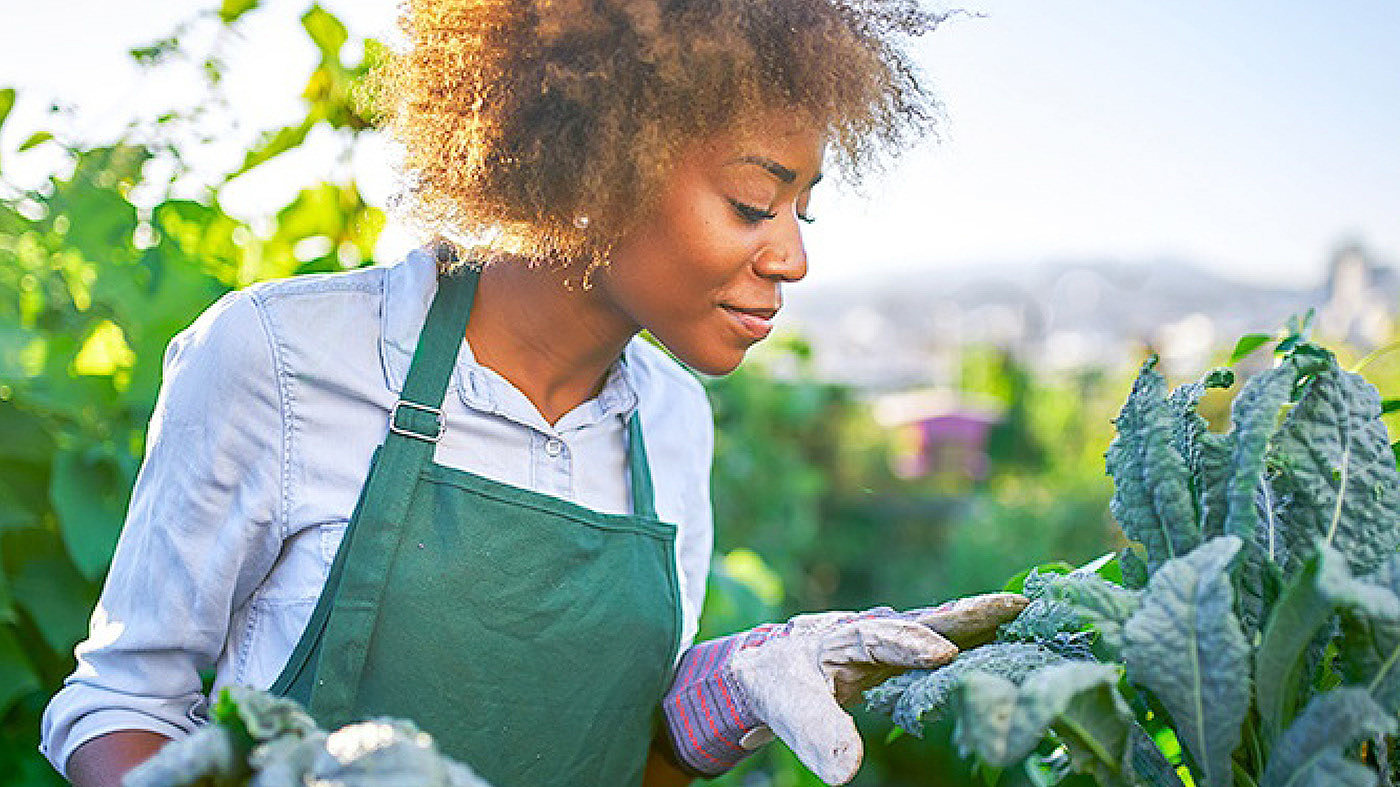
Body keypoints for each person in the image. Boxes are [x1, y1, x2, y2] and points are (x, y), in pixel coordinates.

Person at [41, 1, 1026, 785]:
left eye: (803, 211)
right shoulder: (284, 357)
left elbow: (605, 756)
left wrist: (722, 706)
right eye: (751, 204)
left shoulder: (672, 424)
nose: (793, 256)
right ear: (597, 156)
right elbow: (120, 705)